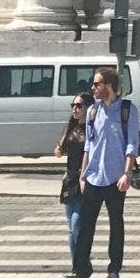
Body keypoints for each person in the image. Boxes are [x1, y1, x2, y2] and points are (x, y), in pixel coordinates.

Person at [59, 66, 139, 278]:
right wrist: (83, 174)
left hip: (116, 177)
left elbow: (132, 143)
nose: (92, 88)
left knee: (116, 224)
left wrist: (127, 173)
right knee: (85, 226)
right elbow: (89, 146)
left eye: (97, 84)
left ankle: (114, 269)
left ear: (109, 86)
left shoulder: (127, 110)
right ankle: (80, 273)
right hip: (93, 176)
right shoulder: (93, 111)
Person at [55, 90, 92, 266]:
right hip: (70, 178)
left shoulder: (92, 129)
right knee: (71, 228)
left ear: (88, 107)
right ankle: (77, 265)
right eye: (73, 106)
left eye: (79, 106)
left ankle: (82, 262)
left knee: (78, 223)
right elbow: (59, 149)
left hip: (84, 179)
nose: (75, 109)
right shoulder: (71, 127)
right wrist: (59, 149)